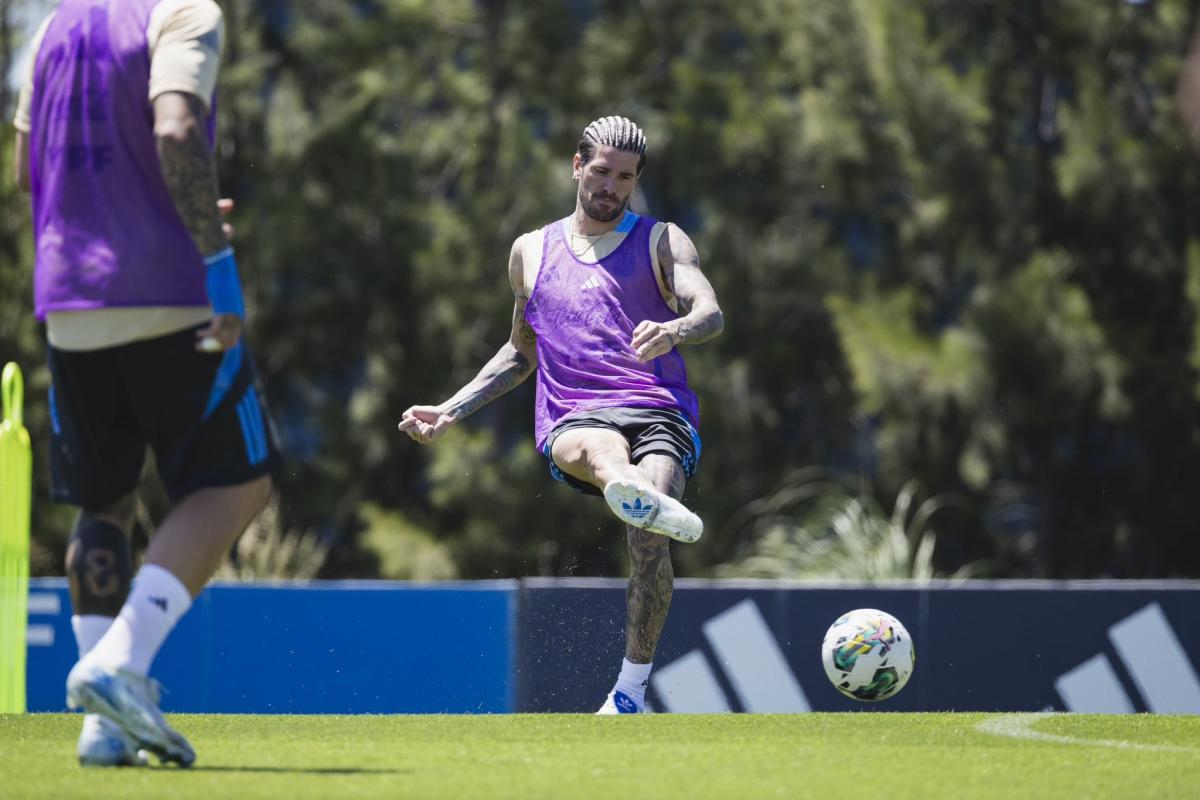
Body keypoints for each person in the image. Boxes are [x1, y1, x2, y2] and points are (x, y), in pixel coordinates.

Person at [12, 0, 279, 766]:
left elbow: (31, 168)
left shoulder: (54, 26)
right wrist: (215, 259)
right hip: (167, 293)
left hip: (69, 300)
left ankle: (102, 727)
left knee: (105, 499)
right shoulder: (184, 11)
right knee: (239, 484)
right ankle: (117, 662)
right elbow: (175, 128)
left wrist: (128, 221)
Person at [400, 115, 724, 714]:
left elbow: (709, 310)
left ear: (635, 182)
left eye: (624, 178)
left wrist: (676, 328)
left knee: (648, 540)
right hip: (575, 414)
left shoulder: (662, 240)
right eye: (600, 172)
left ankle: (629, 691)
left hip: (658, 409)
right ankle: (626, 485)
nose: (610, 186)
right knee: (604, 451)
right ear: (577, 166)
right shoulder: (531, 252)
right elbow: (521, 354)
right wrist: (449, 410)